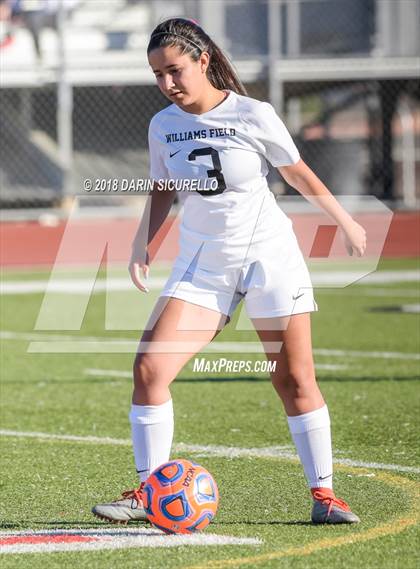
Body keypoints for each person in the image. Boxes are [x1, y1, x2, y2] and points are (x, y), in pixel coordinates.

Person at [92, 17, 365, 525]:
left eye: (175, 70)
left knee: (294, 379)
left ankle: (325, 495)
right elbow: (161, 189)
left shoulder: (253, 113)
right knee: (150, 371)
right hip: (203, 267)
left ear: (203, 61)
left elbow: (295, 170)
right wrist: (141, 245)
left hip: (268, 259)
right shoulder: (162, 125)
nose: (167, 84)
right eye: (157, 75)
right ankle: (152, 492)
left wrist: (344, 221)